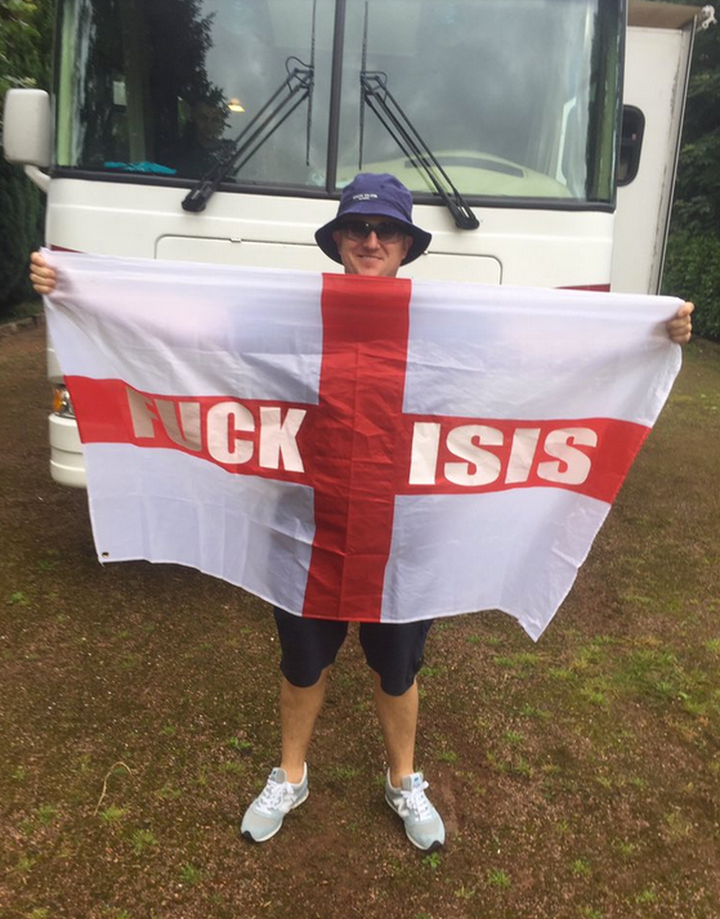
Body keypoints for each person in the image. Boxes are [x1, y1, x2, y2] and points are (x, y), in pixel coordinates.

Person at [28, 174, 695, 854]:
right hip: (305, 524)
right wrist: (81, 290)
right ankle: (291, 773)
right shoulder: (292, 312)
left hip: (405, 530)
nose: (370, 241)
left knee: (398, 667)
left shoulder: (447, 317)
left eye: (385, 230)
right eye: (357, 228)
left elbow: (546, 351)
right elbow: (195, 332)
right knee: (301, 662)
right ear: (337, 240)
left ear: (406, 243)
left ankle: (403, 777)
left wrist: (650, 332)